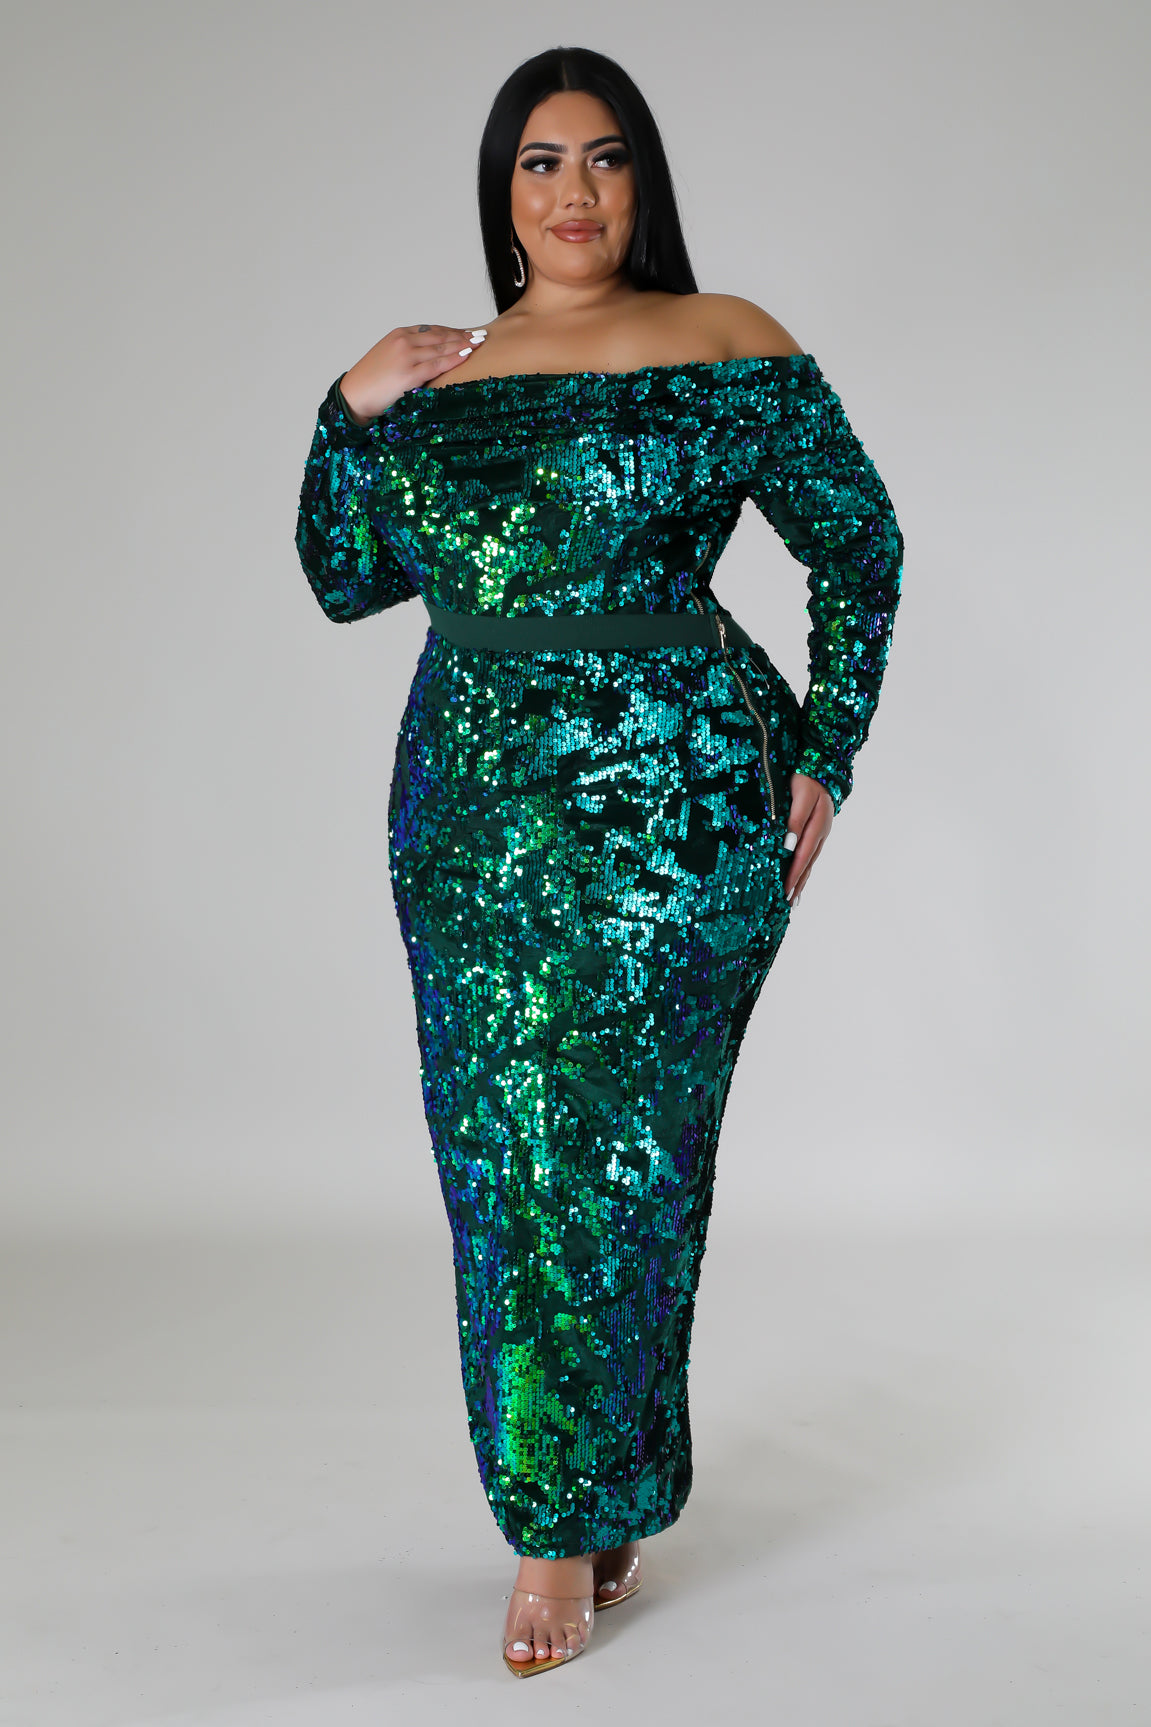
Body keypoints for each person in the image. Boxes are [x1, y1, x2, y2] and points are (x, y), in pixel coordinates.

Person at [295, 44, 903, 1678]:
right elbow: (346, 579)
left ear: (647, 183)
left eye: (608, 157)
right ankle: (574, 1503)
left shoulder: (726, 340)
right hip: (473, 825)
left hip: (676, 817)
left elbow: (859, 545)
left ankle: (570, 1514)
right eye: (542, 162)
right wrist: (345, 408)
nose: (576, 191)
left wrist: (829, 749)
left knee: (631, 1162)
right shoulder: (443, 373)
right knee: (509, 1160)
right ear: (502, 194)